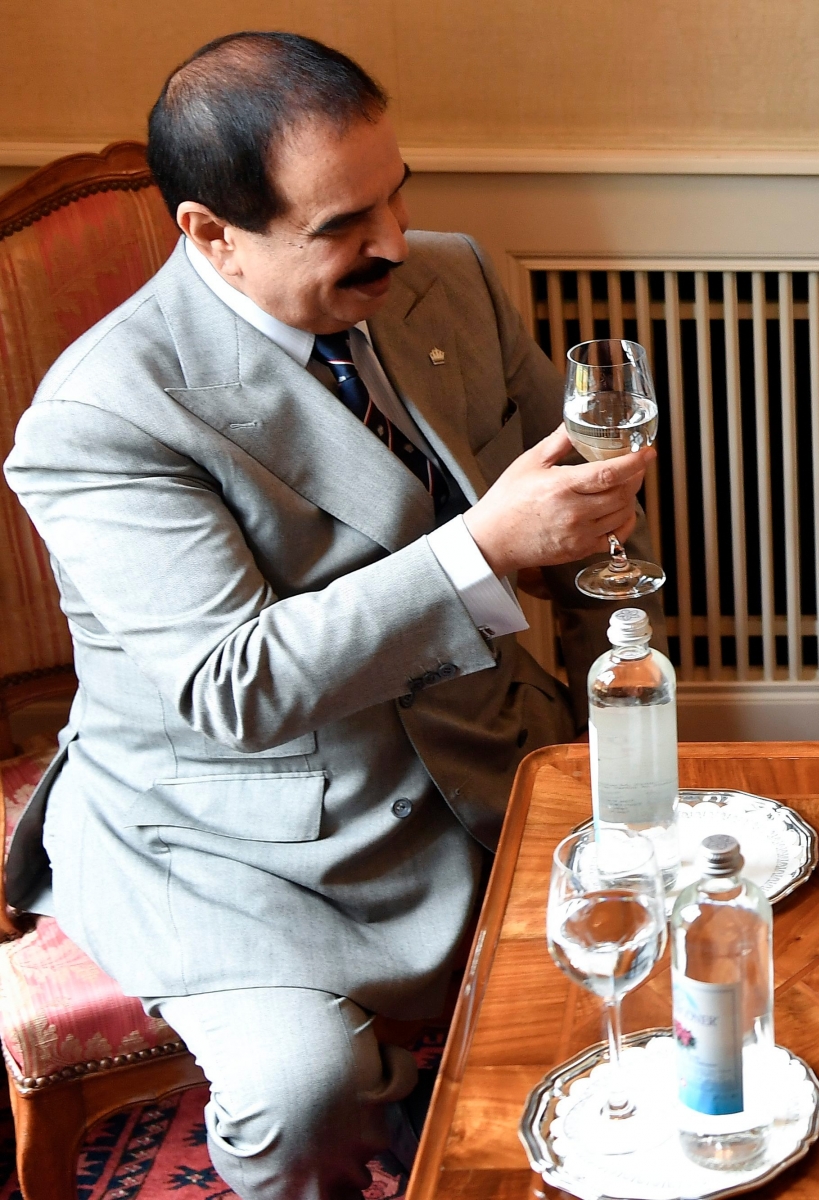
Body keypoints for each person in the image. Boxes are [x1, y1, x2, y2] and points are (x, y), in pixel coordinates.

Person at [3, 32, 656, 1200]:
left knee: (678, 963)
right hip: (234, 838)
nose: (395, 242)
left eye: (397, 192)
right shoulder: (104, 415)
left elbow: (538, 530)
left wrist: (586, 535)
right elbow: (231, 686)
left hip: (484, 751)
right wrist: (489, 546)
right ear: (211, 234)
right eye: (343, 225)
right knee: (301, 1091)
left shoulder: (450, 274)